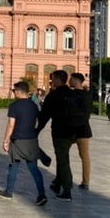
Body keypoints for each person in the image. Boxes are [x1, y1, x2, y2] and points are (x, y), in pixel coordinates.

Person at [0, 81, 47, 205]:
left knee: (13, 166)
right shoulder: (34, 105)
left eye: (14, 91)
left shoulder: (14, 106)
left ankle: (9, 192)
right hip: (31, 140)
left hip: (17, 140)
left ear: (18, 92)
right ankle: (42, 194)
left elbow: (11, 125)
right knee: (34, 169)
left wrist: (5, 140)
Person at [36, 70, 84, 201]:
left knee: (63, 159)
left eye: (53, 79)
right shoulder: (73, 93)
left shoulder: (54, 95)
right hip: (74, 131)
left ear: (58, 80)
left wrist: (36, 131)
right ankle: (57, 183)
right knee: (62, 156)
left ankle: (67, 190)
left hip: (60, 132)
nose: (52, 82)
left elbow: (45, 115)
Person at [69, 72, 93, 191]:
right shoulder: (88, 95)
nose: (69, 81)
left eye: (71, 79)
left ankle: (64, 178)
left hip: (72, 129)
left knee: (63, 154)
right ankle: (86, 181)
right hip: (84, 128)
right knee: (84, 156)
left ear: (76, 80)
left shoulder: (71, 95)